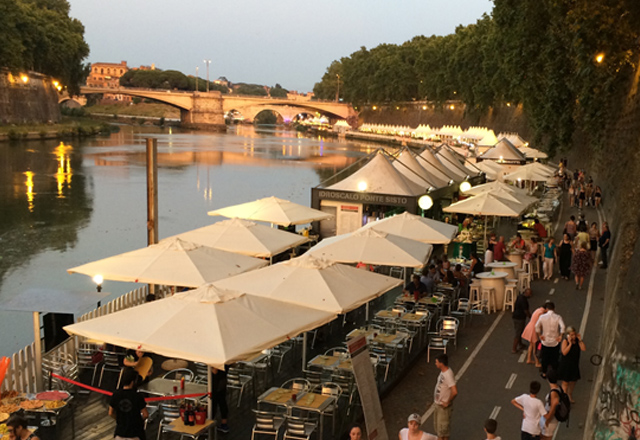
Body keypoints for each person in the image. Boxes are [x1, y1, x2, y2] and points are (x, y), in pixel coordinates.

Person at [108, 367, 148, 440]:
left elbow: (110, 412)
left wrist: (119, 419)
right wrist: (138, 421)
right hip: (135, 433)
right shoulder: (137, 396)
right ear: (132, 382)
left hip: (120, 432)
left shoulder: (116, 394)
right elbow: (145, 414)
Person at [535, 301, 565, 377]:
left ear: (547, 309)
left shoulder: (542, 317)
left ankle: (544, 373)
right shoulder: (558, 317)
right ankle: (554, 372)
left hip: (545, 341)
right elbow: (563, 327)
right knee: (555, 357)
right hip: (555, 341)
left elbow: (536, 326)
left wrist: (539, 335)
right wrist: (560, 336)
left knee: (545, 357)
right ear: (554, 309)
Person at [558, 326, 586, 403]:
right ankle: (564, 397)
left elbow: (583, 348)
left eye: (574, 334)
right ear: (568, 335)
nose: (573, 336)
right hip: (566, 365)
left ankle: (569, 394)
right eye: (571, 335)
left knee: (573, 381)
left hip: (574, 364)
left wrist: (580, 340)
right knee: (565, 383)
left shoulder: (577, 341)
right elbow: (564, 352)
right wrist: (570, 344)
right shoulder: (565, 341)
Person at [433, 354, 457, 440]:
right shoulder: (443, 372)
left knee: (443, 433)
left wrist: (448, 401)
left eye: (436, 362)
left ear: (441, 363)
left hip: (443, 408)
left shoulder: (448, 374)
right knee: (440, 430)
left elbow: (454, 391)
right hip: (438, 405)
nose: (435, 363)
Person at [522, 302, 548, 367]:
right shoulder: (541, 313)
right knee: (535, 346)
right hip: (533, 329)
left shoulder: (538, 310)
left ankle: (529, 359)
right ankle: (537, 362)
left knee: (531, 344)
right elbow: (540, 323)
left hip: (530, 327)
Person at [540, 371, 561, 440]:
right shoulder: (558, 388)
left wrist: (548, 420)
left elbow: (553, 408)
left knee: (546, 437)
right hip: (551, 419)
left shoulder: (553, 392)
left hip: (550, 420)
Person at [512, 288, 532, 353]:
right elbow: (526, 310)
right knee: (518, 333)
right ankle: (514, 348)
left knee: (519, 331)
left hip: (515, 316)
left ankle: (520, 344)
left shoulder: (520, 297)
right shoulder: (524, 301)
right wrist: (530, 316)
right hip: (520, 318)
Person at [212, 366, 230, 433]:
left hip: (216, 383)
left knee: (214, 403)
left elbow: (214, 371)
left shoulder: (215, 360)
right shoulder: (225, 359)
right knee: (222, 402)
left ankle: (211, 422)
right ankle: (224, 423)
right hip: (222, 381)